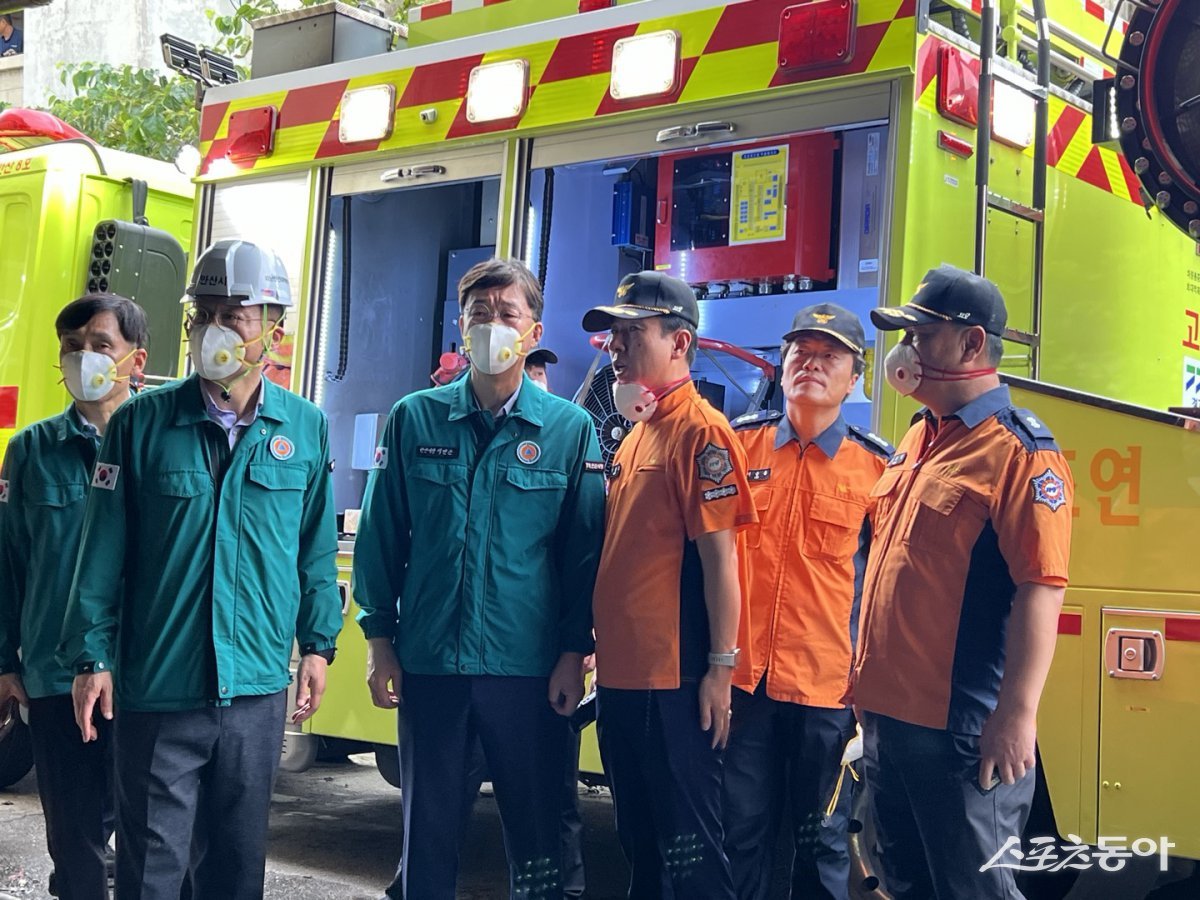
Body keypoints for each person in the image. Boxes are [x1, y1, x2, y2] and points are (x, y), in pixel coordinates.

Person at [57, 240, 342, 900]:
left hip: (255, 691)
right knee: (151, 872)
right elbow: (100, 554)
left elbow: (315, 549)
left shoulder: (305, 427)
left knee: (236, 870)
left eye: (233, 313)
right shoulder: (138, 425)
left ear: (273, 326)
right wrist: (91, 658)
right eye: (202, 312)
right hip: (160, 688)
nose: (213, 328)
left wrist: (320, 645)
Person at [354, 257, 605, 900]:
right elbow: (384, 539)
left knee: (538, 838)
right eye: (479, 316)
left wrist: (573, 654)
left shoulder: (569, 431)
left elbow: (582, 558)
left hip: (528, 670)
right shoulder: (414, 419)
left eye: (507, 315)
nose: (492, 326)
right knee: (427, 837)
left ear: (534, 330)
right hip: (432, 663)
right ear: (461, 331)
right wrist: (380, 641)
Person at [853, 265, 1074, 899]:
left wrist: (1017, 714)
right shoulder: (918, 439)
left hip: (961, 731)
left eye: (920, 334)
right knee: (904, 882)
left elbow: (1043, 586)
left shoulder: (1019, 452)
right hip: (889, 723)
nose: (906, 351)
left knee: (973, 889)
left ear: (971, 343)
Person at [582, 271, 755, 900]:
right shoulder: (638, 431)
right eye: (614, 334)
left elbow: (720, 562)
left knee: (690, 851)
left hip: (673, 680)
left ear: (679, 343)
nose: (615, 346)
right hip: (626, 679)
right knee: (641, 841)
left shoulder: (700, 432)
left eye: (632, 333)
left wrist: (719, 669)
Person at [722, 304, 892, 900]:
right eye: (800, 351)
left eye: (830, 356)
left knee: (820, 839)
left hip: (828, 693)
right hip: (744, 685)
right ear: (782, 363)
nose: (811, 365)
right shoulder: (741, 448)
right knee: (737, 832)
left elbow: (883, 591)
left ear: (856, 377)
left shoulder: (878, 468)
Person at [0, 293, 147, 900]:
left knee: (151, 832)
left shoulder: (162, 440)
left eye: (100, 345)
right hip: (56, 673)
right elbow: (9, 563)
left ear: (135, 361)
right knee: (75, 836)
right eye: (71, 347)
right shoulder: (30, 451)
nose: (83, 358)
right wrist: (6, 662)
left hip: (148, 674)